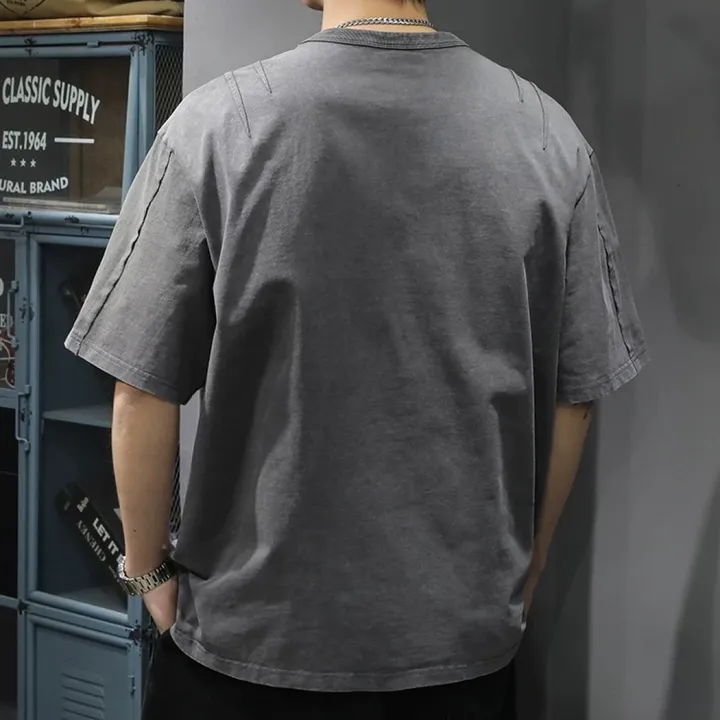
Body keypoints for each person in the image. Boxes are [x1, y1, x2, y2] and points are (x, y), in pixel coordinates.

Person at [65, 0, 648, 717]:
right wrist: (525, 575)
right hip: (458, 651)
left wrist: (147, 572)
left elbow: (139, 388)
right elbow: (575, 394)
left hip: (248, 649)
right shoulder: (550, 137)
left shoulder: (217, 126)